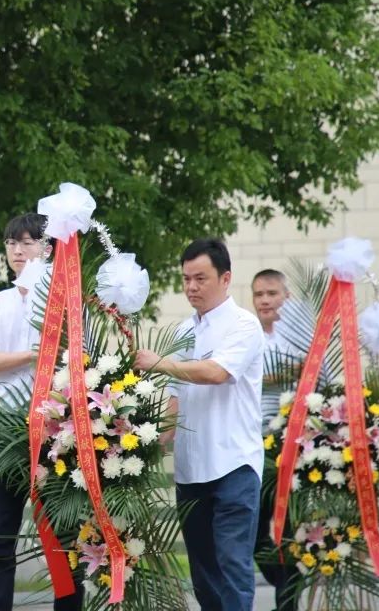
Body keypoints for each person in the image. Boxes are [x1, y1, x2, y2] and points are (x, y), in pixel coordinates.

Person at [133, 238, 264, 611]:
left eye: (200, 278)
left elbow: (217, 373)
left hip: (235, 465)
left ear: (225, 278)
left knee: (233, 566)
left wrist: (161, 363)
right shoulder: (182, 332)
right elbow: (174, 403)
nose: (191, 287)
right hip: (191, 470)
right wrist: (145, 448)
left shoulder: (244, 325)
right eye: (186, 279)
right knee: (204, 576)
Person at [0, 213, 80, 611]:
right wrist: (35, 354)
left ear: (47, 249)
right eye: (11, 243)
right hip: (6, 428)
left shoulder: (67, 303)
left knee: (64, 532)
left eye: (27, 242)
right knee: (1, 534)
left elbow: (78, 361)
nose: (17, 251)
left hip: (57, 429)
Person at [250, 269, 300, 611]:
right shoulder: (248, 335)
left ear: (287, 297)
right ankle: (287, 583)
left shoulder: (301, 339)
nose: (265, 300)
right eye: (259, 294)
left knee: (291, 532)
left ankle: (287, 604)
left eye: (272, 293)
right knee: (255, 535)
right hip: (257, 445)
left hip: (294, 444)